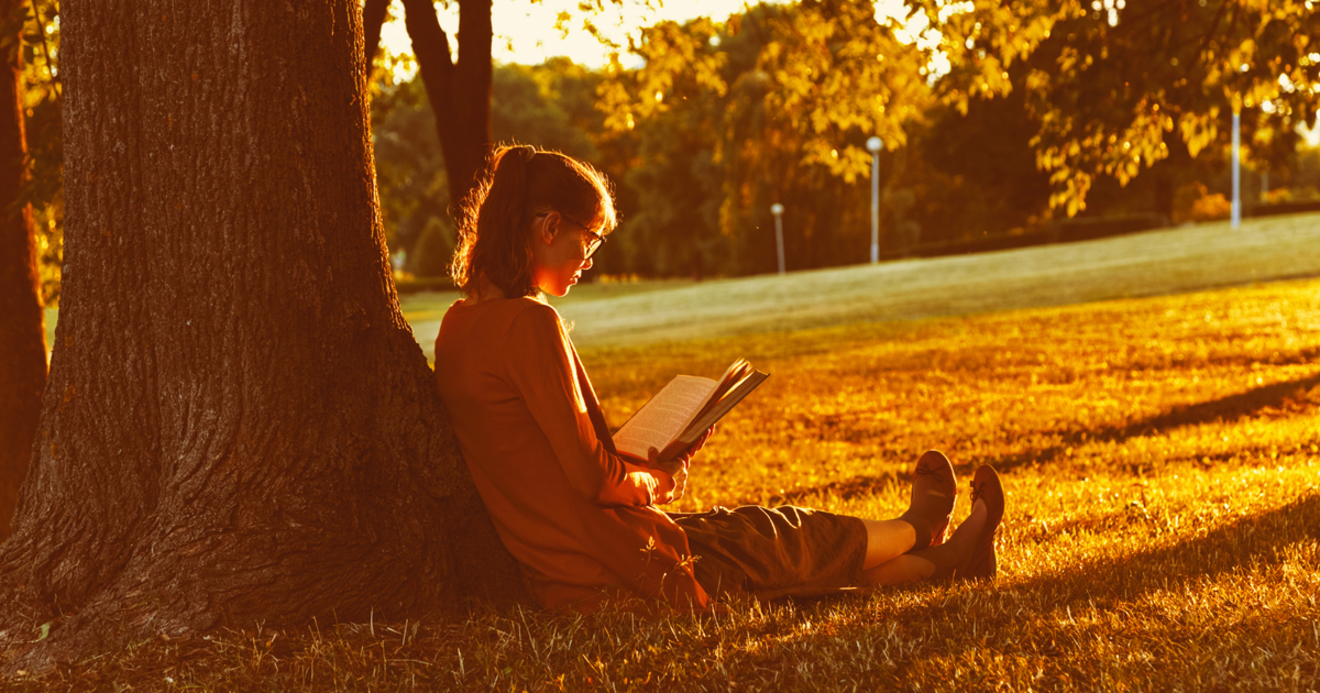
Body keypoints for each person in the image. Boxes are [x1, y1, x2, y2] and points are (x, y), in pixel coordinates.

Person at [434, 145, 1006, 612]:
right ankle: (920, 527)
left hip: (567, 572)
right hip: (615, 565)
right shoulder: (531, 324)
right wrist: (659, 479)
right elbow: (590, 479)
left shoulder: (457, 326)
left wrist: (649, 461)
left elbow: (544, 455)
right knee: (773, 535)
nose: (591, 258)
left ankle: (946, 558)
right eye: (590, 239)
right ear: (550, 225)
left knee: (779, 565)